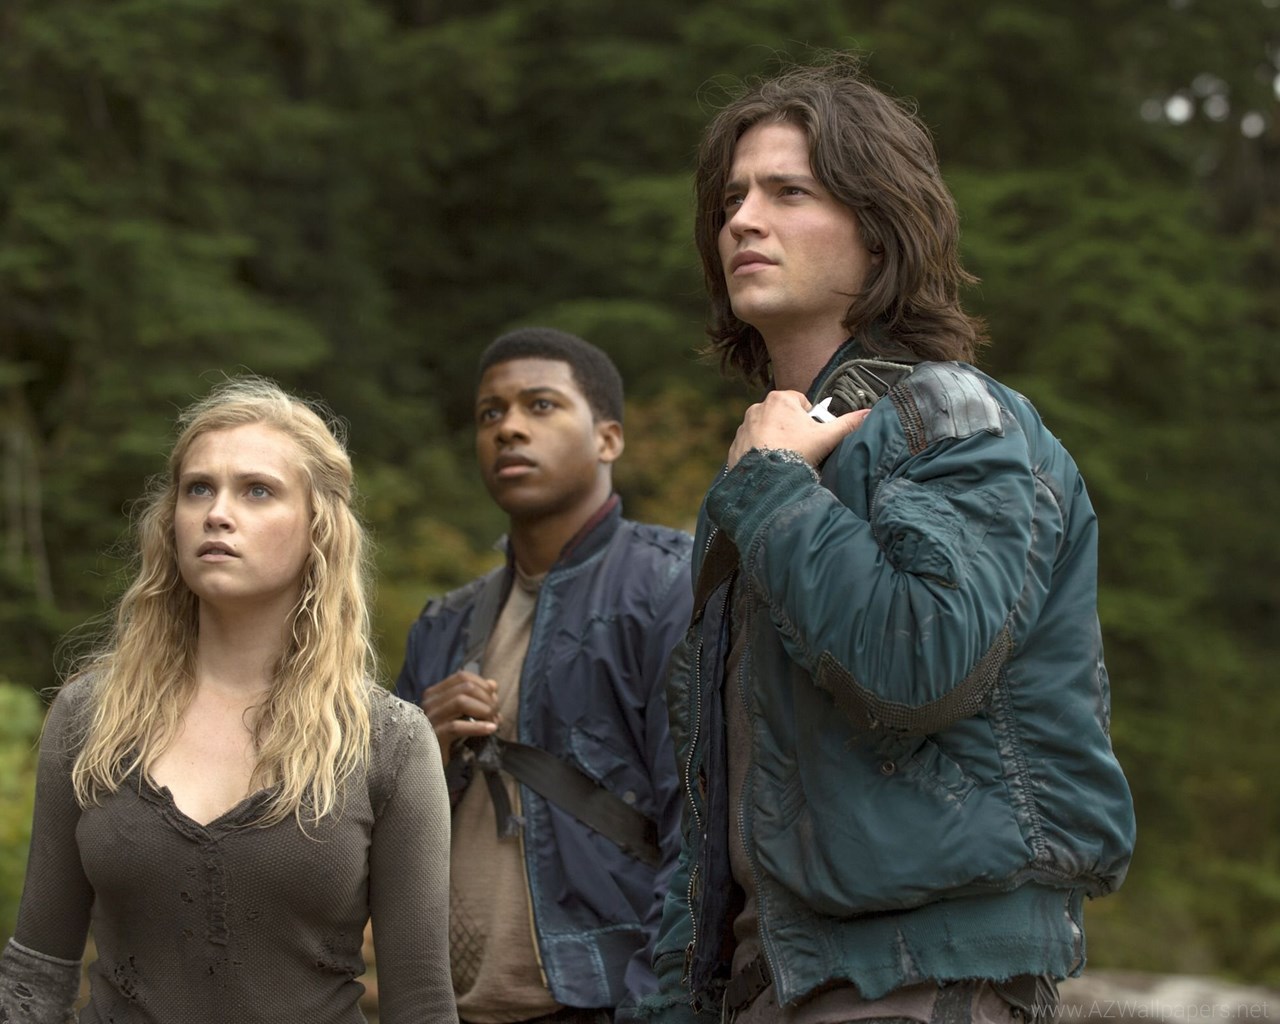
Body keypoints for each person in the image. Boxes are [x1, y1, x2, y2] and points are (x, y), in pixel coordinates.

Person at [638, 57, 1137, 1024]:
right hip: (774, 978)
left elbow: (920, 667)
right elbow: (713, 791)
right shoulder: (763, 471)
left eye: (788, 193)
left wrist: (774, 487)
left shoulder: (952, 416)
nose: (742, 220)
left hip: (919, 972)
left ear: (879, 227)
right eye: (732, 199)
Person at [0, 377, 456, 1024]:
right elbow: (34, 979)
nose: (217, 512)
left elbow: (422, 1004)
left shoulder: (389, 741)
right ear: (171, 522)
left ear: (318, 528)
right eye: (198, 489)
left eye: (257, 490)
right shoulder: (90, 716)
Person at [396, 327, 692, 1024]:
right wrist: (418, 754)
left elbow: (700, 833)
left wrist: (656, 1007)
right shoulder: (441, 625)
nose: (509, 428)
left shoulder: (669, 587)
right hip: (451, 1007)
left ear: (608, 439)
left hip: (606, 1001)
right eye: (490, 414)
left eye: (540, 405)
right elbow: (370, 849)